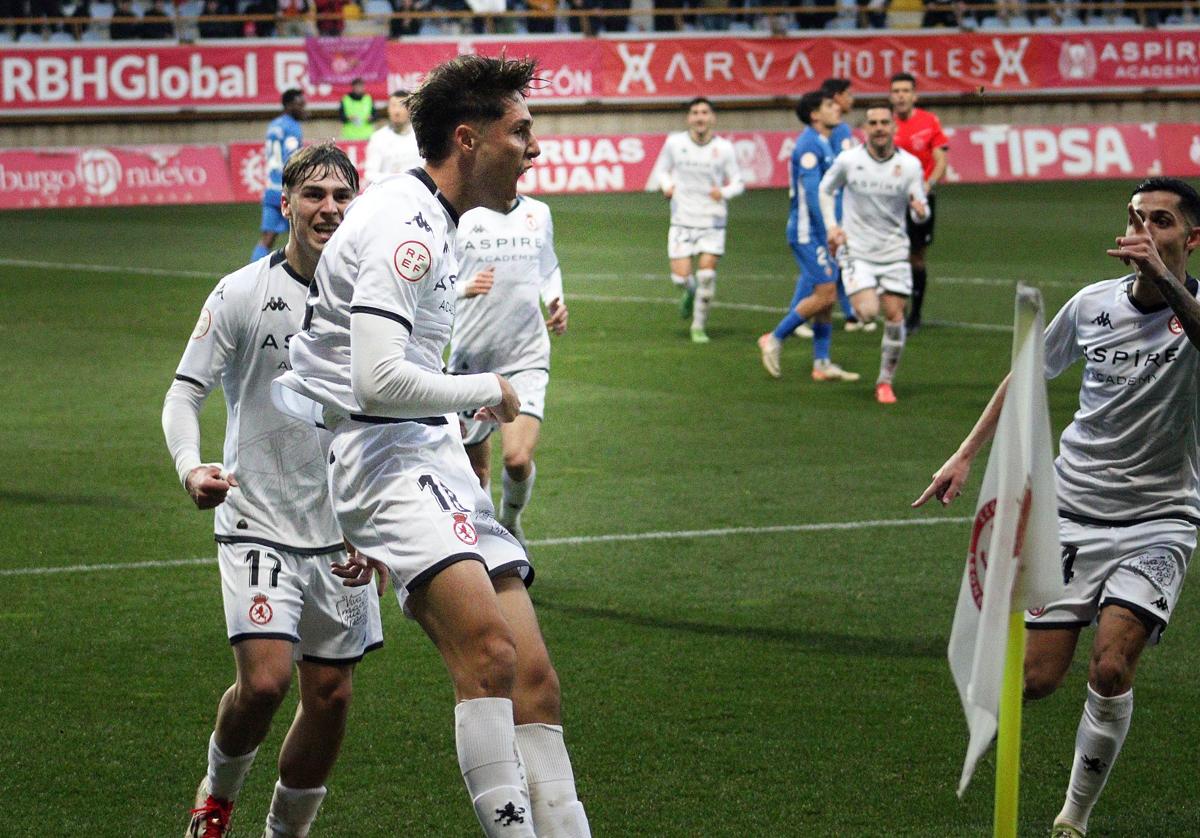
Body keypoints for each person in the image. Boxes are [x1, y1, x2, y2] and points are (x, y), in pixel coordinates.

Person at [273, 55, 590, 838]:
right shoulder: (404, 226)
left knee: (536, 684)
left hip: (428, 454)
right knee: (487, 654)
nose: (535, 149)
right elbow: (378, 380)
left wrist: (462, 412)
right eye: (521, 132)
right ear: (468, 139)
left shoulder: (437, 221)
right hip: (384, 459)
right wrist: (486, 390)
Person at [913, 178, 1200, 838]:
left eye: (1161, 220)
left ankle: (1073, 817)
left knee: (1110, 663)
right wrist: (963, 455)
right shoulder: (1092, 306)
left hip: (1161, 518)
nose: (1144, 229)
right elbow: (1026, 377)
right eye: (1136, 217)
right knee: (1037, 680)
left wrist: (1168, 281)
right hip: (1070, 513)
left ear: (1190, 238)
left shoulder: (1193, 311)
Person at [164, 143, 382, 838]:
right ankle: (216, 800)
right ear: (284, 203)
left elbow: (392, 415)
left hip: (343, 530)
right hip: (256, 517)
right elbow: (184, 391)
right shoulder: (241, 292)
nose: (329, 209)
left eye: (341, 197)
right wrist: (190, 465)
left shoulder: (376, 306)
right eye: (314, 195)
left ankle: (285, 833)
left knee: (331, 695)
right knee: (264, 683)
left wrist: (380, 530)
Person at [450, 193, 568, 549]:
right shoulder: (460, 216)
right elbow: (431, 281)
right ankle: (488, 545)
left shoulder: (538, 213)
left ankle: (510, 521)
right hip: (473, 361)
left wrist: (556, 300)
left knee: (517, 460)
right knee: (477, 473)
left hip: (526, 354)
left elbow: (547, 266)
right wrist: (464, 288)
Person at [819, 106, 927, 404]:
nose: (879, 128)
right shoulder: (849, 160)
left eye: (884, 123)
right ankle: (868, 289)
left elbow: (920, 206)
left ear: (894, 128)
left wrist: (920, 212)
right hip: (858, 250)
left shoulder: (910, 165)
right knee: (866, 313)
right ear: (864, 129)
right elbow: (825, 190)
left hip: (893, 251)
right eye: (873, 123)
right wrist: (832, 227)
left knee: (894, 316)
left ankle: (885, 382)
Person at [757, 90, 859, 383]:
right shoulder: (809, 147)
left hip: (823, 230)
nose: (836, 108)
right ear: (815, 114)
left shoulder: (825, 142)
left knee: (826, 299)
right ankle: (775, 337)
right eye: (829, 105)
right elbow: (813, 194)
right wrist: (829, 228)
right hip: (808, 232)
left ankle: (822, 363)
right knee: (826, 293)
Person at [655, 97, 744, 344]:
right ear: (689, 118)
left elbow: (738, 182)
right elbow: (662, 170)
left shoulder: (724, 148)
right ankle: (688, 294)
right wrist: (667, 185)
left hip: (712, 221)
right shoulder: (675, 143)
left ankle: (698, 326)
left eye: (704, 112)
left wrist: (723, 193)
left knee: (706, 276)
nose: (700, 117)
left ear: (712, 117)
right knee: (681, 279)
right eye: (695, 112)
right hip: (682, 219)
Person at [890, 72, 948, 334]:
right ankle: (896, 311)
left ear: (914, 95)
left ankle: (915, 313)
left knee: (917, 255)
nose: (900, 95)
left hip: (920, 200)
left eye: (905, 91)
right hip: (890, 200)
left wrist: (928, 183)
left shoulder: (928, 122)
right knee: (893, 253)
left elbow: (940, 159)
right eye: (896, 91)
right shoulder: (884, 124)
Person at [819, 76, 868, 334]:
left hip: (833, 202)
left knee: (834, 259)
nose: (852, 100)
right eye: (848, 95)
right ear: (837, 97)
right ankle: (803, 313)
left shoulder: (827, 131)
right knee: (833, 258)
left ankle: (850, 314)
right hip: (837, 204)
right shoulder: (839, 130)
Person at [253, 89, 305, 263]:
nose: (303, 108)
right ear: (289, 105)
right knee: (304, 236)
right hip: (286, 189)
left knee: (267, 238)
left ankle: (252, 276)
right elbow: (292, 157)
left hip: (271, 188)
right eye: (300, 105)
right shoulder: (292, 128)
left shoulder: (274, 125)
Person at [363, 89, 423, 188]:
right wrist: (395, 179)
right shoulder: (378, 138)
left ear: (411, 109)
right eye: (393, 106)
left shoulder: (421, 136)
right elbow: (370, 175)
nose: (396, 111)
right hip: (389, 195)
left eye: (401, 106)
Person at [339, 77, 375, 142]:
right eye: (357, 87)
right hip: (350, 136)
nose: (359, 89)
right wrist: (348, 118)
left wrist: (371, 118)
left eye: (360, 86)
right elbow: (341, 116)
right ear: (353, 87)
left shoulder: (368, 98)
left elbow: (375, 115)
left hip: (366, 135)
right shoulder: (346, 99)